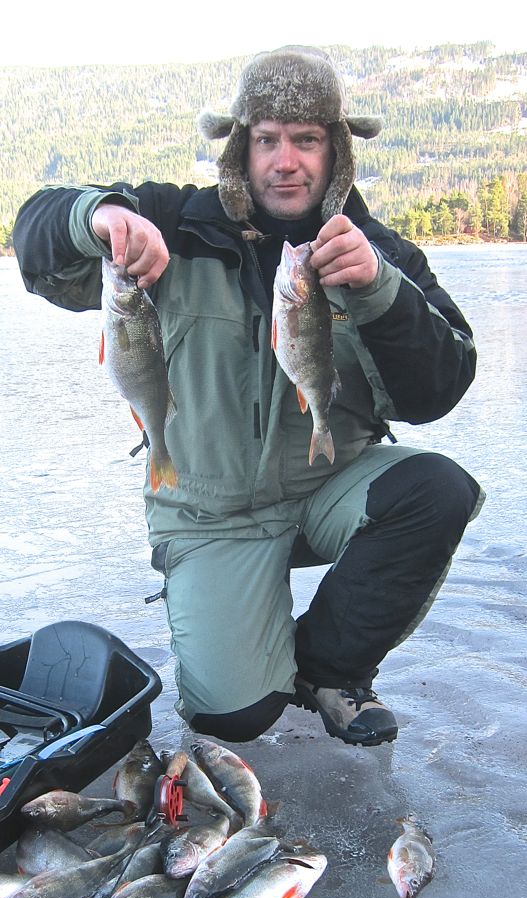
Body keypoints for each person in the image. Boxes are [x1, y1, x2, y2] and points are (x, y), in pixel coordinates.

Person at [13, 46, 484, 748]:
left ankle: (330, 669)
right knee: (231, 717)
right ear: (241, 148)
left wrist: (381, 291)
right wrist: (98, 217)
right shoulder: (170, 223)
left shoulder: (376, 251)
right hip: (210, 512)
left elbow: (439, 388)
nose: (285, 161)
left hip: (328, 487)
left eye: (306, 140)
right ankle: (246, 638)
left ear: (335, 152)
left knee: (435, 489)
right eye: (266, 139)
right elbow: (34, 238)